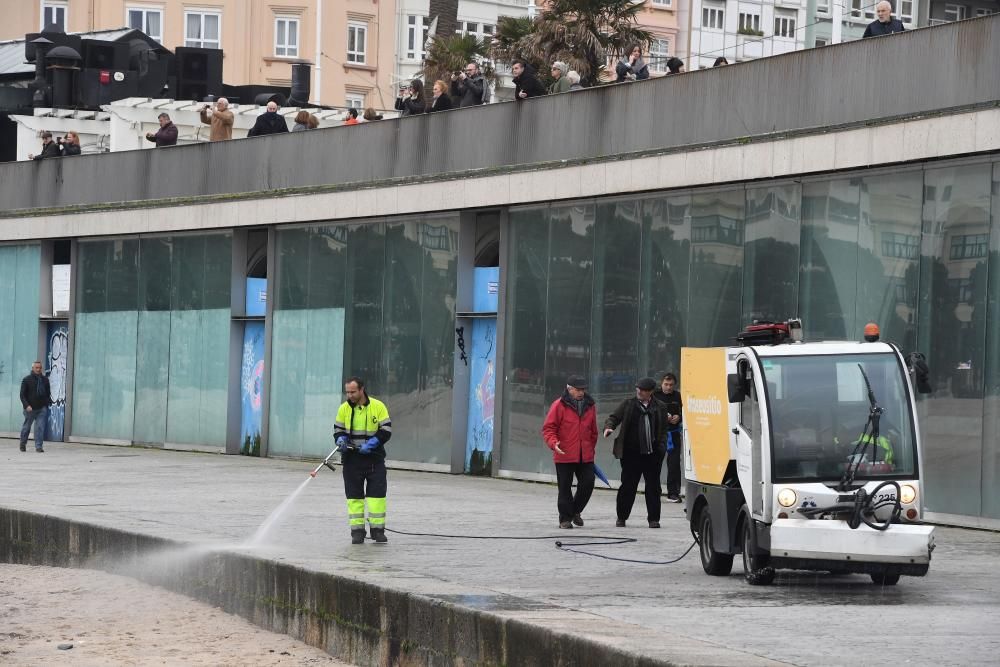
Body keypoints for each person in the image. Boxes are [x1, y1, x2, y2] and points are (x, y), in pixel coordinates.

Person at [333, 377, 392, 544]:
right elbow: (338, 430)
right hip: (352, 460)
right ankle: (357, 532)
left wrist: (372, 443)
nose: (349, 395)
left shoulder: (378, 406)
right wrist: (341, 440)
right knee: (354, 498)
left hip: (374, 459)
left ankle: (378, 531)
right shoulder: (343, 409)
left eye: (353, 392)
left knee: (377, 497)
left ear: (362, 390)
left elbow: (386, 430)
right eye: (347, 392)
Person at [603, 377, 668, 528]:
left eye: (643, 390)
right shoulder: (628, 404)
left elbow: (664, 429)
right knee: (628, 486)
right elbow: (613, 418)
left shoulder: (660, 406)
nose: (639, 391)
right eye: (638, 389)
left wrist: (661, 447)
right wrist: (609, 427)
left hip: (652, 454)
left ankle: (654, 519)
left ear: (650, 392)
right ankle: (622, 517)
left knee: (653, 487)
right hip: (631, 453)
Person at [541, 375, 598, 529]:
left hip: (585, 454)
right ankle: (565, 519)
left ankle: (575, 511)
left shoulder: (590, 405)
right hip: (564, 453)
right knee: (565, 487)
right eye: (578, 390)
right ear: (569, 389)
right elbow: (548, 429)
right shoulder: (558, 405)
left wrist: (591, 449)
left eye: (583, 389)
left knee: (588, 483)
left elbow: (593, 431)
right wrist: (554, 444)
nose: (581, 392)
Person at [652, 372, 683, 503]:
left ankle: (673, 492)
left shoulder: (678, 396)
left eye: (671, 385)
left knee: (674, 464)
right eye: (666, 384)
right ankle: (654, 491)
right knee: (655, 464)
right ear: (661, 384)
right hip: (658, 435)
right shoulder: (654, 396)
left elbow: (683, 411)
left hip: (674, 433)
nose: (668, 387)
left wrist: (678, 417)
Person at [19, 361, 51, 453]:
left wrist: (46, 403)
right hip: (30, 408)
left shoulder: (45, 380)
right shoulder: (27, 380)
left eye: (40, 368)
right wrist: (27, 405)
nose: (38, 369)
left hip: (42, 408)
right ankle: (23, 443)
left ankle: (38, 447)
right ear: (33, 368)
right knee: (26, 427)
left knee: (40, 427)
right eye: (36, 368)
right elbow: (22, 395)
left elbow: (48, 393)